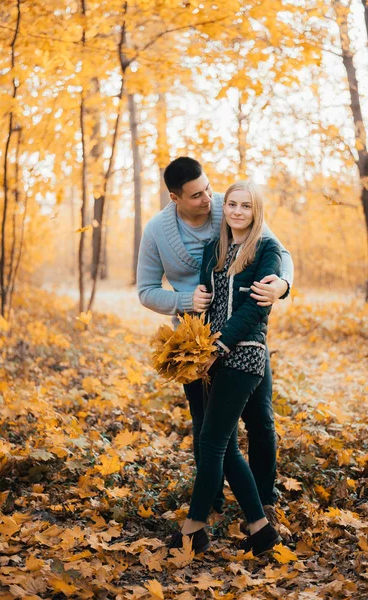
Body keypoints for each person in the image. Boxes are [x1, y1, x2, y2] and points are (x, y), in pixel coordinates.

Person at [137, 157, 293, 525]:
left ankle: (263, 504)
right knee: (206, 424)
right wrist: (183, 301)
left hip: (244, 338)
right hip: (195, 342)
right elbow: (145, 291)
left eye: (208, 188)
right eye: (196, 195)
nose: (209, 199)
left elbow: (276, 251)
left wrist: (283, 285)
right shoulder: (157, 231)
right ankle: (211, 504)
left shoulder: (231, 204)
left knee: (260, 420)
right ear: (175, 198)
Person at [170, 180, 283, 556]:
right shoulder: (212, 249)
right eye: (232, 204)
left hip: (245, 354)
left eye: (246, 206)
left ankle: (193, 528)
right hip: (211, 356)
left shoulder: (266, 249)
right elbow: (207, 303)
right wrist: (199, 333)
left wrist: (222, 344)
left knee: (213, 441)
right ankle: (261, 528)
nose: (237, 211)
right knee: (226, 444)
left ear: (256, 212)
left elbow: (256, 308)